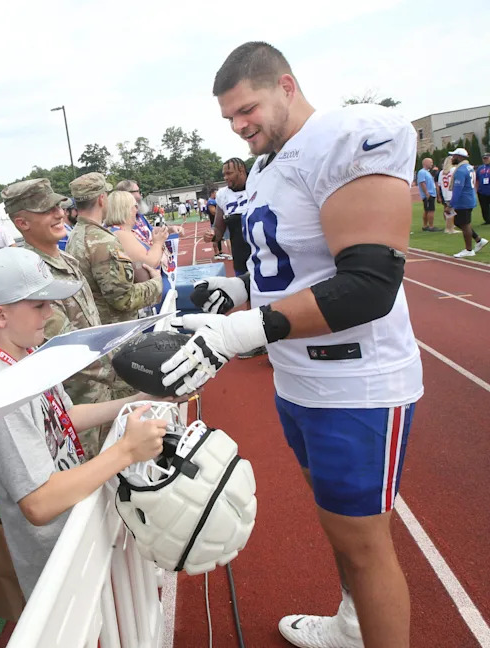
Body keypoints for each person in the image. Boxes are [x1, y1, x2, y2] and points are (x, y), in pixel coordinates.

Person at [162, 42, 422, 648]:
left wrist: (242, 331)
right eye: (228, 119)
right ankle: (354, 627)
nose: (239, 126)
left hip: (357, 381)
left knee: (365, 545)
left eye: (246, 109)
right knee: (340, 531)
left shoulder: (347, 135)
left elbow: (368, 285)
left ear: (285, 85)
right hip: (299, 376)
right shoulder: (264, 168)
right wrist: (233, 291)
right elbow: (286, 271)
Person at [0, 247, 168, 598]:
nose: (50, 312)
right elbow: (40, 503)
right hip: (58, 564)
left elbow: (65, 417)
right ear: (0, 316)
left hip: (77, 535)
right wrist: (125, 451)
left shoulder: (28, 356)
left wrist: (142, 399)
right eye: (39, 305)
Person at [2, 178, 117, 458]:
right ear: (22, 223)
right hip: (75, 406)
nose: (59, 214)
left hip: (100, 396)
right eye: (46, 210)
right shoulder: (30, 275)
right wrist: (124, 368)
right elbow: (63, 347)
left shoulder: (66, 260)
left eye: (58, 206)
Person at [65, 172, 163, 326]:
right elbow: (123, 299)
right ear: (101, 199)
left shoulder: (76, 234)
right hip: (115, 330)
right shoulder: (103, 241)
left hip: (97, 325)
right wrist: (156, 283)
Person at [108, 190, 184, 311]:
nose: (136, 210)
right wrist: (158, 243)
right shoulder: (120, 234)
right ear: (125, 209)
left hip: (151, 296)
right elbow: (147, 263)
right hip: (147, 302)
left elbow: (136, 263)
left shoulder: (125, 232)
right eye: (135, 206)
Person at [206, 159, 253, 272]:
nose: (225, 178)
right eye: (224, 174)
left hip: (265, 257)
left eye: (229, 173)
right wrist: (212, 235)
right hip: (240, 258)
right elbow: (218, 228)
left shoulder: (258, 187)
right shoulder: (223, 195)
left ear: (241, 171)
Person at [448, 147, 486, 258]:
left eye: (454, 156)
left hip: (463, 200)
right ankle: (478, 240)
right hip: (469, 198)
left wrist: (451, 204)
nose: (452, 158)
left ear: (459, 157)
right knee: (459, 222)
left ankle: (469, 249)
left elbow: (458, 189)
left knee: (464, 224)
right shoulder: (469, 167)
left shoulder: (460, 170)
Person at [115, 179, 153, 245]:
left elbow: (151, 231)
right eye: (138, 191)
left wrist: (168, 229)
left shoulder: (139, 215)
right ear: (127, 194)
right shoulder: (118, 223)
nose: (140, 195)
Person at [438, 155, 459, 234]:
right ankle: (450, 228)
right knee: (452, 212)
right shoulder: (453, 170)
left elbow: (439, 184)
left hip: (445, 193)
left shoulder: (441, 172)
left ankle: (448, 227)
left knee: (448, 211)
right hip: (452, 192)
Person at [416, 158, 437, 231]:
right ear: (425, 163)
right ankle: (431, 226)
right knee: (431, 210)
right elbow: (422, 183)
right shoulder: (422, 172)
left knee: (427, 210)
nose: (432, 164)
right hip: (428, 194)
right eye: (431, 162)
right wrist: (427, 193)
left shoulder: (427, 172)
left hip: (430, 193)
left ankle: (425, 226)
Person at [477, 152, 490, 225]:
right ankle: (487, 220)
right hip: (482, 191)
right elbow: (477, 179)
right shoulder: (480, 168)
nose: (485, 160)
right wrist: (477, 189)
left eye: (487, 158)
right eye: (484, 158)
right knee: (484, 207)